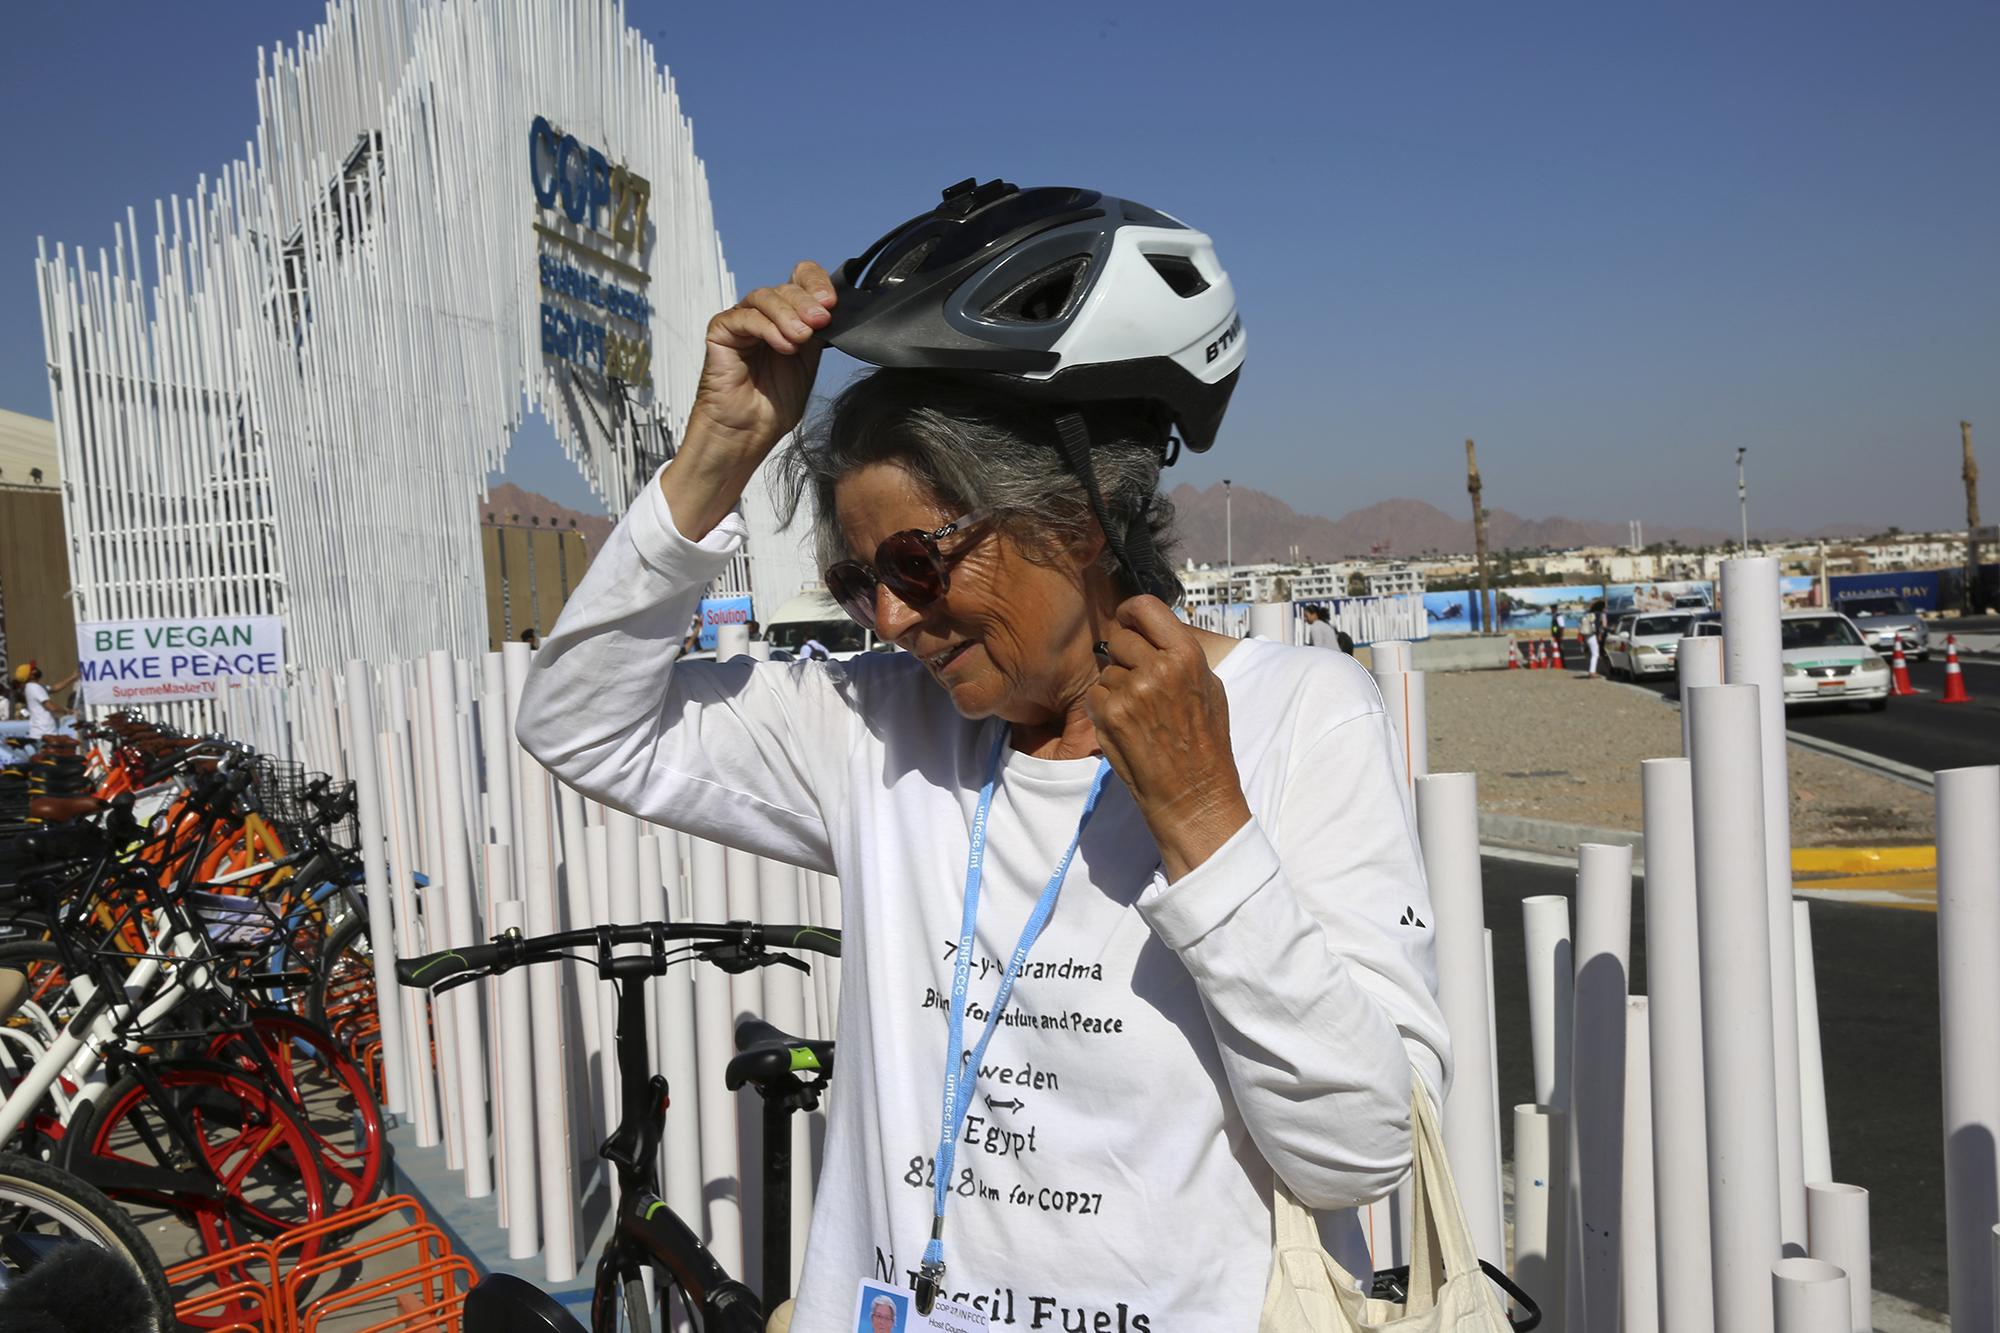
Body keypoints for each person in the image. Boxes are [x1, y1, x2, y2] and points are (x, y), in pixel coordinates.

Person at [517, 181, 1448, 1330]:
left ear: (1074, 514)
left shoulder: (1299, 717)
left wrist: (1206, 822)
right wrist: (718, 453)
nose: (892, 622)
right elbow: (578, 722)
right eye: (861, 585)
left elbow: (1359, 1156)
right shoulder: (874, 727)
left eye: (915, 563)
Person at [13, 662, 77, 742]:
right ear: (30, 676)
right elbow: (51, 706)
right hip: (45, 734)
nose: (36, 669)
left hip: (42, 733)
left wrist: (73, 677)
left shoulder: (33, 687)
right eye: (33, 669)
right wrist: (67, 711)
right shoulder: (35, 688)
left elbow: (54, 688)